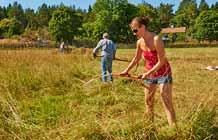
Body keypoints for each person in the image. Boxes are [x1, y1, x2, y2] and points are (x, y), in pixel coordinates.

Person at [120, 17, 176, 126]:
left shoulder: (156, 39)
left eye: (135, 30)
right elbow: (136, 59)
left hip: (163, 73)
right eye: (132, 31)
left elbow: (162, 61)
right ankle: (150, 127)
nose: (134, 33)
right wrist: (126, 70)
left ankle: (174, 129)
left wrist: (147, 73)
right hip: (150, 75)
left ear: (143, 27)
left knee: (166, 102)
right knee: (148, 101)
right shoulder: (139, 42)